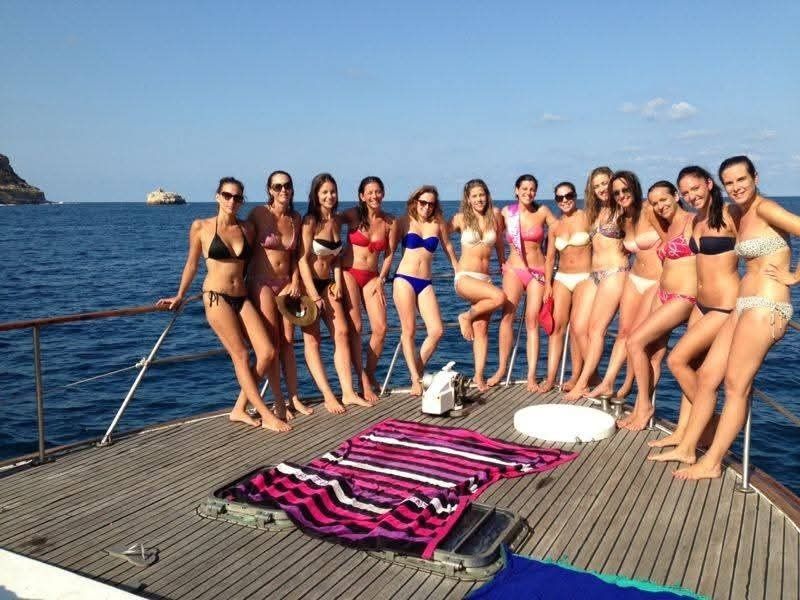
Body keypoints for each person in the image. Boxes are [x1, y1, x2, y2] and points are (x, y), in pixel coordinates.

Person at [674, 156, 799, 480]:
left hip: (766, 306)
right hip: (742, 306)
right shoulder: (739, 215)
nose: (736, 187)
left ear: (755, 177)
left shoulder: (766, 208)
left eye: (741, 179)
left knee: (735, 387)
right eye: (729, 183)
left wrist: (795, 276)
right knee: (707, 377)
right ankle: (689, 446)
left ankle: (713, 461)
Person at [157, 177, 291, 432]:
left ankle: (239, 408)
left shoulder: (247, 229)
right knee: (241, 354)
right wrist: (180, 294)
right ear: (218, 196)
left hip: (241, 297)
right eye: (227, 195)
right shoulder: (201, 227)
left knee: (267, 352)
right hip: (216, 297)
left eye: (238, 197)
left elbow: (265, 256)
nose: (232, 201)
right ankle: (265, 413)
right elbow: (192, 264)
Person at [648, 166, 739, 460]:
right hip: (701, 305)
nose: (691, 196)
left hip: (725, 307)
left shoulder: (730, 214)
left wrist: (785, 274)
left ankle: (707, 426)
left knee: (676, 360)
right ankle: (685, 435)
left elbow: (768, 237)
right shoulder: (697, 220)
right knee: (694, 369)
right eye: (685, 192)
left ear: (710, 184)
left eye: (695, 189)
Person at [620, 180, 698, 431]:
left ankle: (644, 406)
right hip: (663, 293)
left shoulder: (695, 222)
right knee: (651, 352)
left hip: (683, 297)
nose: (659, 206)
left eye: (664, 199)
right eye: (654, 203)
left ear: (677, 196)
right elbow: (640, 208)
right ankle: (641, 406)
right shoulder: (669, 224)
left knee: (634, 342)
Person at [298, 173, 371, 413]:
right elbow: (302, 261)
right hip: (308, 286)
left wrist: (337, 281)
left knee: (341, 331)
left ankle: (348, 392)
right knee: (313, 340)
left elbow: (337, 257)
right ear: (316, 195)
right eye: (324, 192)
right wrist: (314, 295)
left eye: (333, 191)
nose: (330, 196)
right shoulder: (310, 221)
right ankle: (328, 395)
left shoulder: (337, 222)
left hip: (328, 282)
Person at [586, 173, 663, 400]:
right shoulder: (626, 218)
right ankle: (608, 383)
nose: (621, 195)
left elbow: (679, 225)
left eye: (625, 190)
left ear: (635, 188)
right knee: (623, 334)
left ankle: (638, 398)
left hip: (656, 282)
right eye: (617, 192)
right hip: (634, 279)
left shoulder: (650, 209)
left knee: (643, 344)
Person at [247, 170, 312, 418]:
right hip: (261, 283)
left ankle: (294, 398)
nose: (283, 190)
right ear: (269, 190)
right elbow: (241, 244)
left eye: (287, 186)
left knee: (288, 343)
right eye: (277, 187)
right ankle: (277, 401)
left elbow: (297, 257)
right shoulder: (258, 214)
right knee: (272, 344)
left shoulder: (296, 218)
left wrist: (295, 280)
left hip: (286, 284)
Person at [562, 168, 630, 401]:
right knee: (578, 326)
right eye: (597, 185)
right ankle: (597, 380)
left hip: (615, 272)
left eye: (605, 183)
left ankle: (582, 383)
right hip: (594, 275)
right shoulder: (595, 212)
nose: (601, 188)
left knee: (595, 330)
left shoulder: (623, 209)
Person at [487, 174, 557, 391]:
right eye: (524, 188)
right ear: (516, 190)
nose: (528, 192)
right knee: (507, 317)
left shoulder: (543, 212)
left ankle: (531, 375)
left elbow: (561, 229)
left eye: (532, 189)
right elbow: (492, 234)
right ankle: (501, 369)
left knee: (532, 322)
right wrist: (500, 260)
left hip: (537, 273)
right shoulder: (506, 213)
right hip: (514, 270)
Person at [393, 185, 459, 396]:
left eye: (431, 203)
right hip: (404, 279)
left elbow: (448, 247)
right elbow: (388, 251)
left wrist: (457, 269)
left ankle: (417, 370)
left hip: (425, 282)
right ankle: (415, 379)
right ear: (415, 202)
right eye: (423, 202)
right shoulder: (403, 222)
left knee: (437, 330)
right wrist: (378, 277)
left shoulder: (437, 223)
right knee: (409, 330)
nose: (427, 207)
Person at [340, 177, 398, 404]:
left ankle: (369, 372)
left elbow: (390, 253)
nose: (374, 196)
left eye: (378, 191)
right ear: (362, 196)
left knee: (381, 328)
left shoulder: (389, 222)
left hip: (373, 277)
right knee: (356, 327)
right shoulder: (352, 215)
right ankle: (362, 382)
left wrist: (382, 278)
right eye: (370, 192)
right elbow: (327, 221)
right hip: (349, 272)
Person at [449, 179, 506, 391]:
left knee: (481, 330)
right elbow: (440, 235)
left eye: (481, 195)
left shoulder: (495, 216)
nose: (479, 199)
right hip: (465, 277)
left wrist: (502, 262)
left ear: (487, 195)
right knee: (499, 298)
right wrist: (454, 263)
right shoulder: (460, 218)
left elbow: (499, 241)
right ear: (468, 199)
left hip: (485, 279)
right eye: (474, 196)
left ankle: (478, 376)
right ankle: (466, 315)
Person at [539, 181, 592, 393]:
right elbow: (550, 258)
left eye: (568, 195)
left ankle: (578, 377)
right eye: (560, 198)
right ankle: (551, 378)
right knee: (556, 328)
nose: (565, 200)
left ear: (575, 195)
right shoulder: (555, 227)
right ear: (556, 201)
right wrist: (547, 286)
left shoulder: (587, 217)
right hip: (561, 277)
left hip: (584, 277)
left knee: (579, 329)